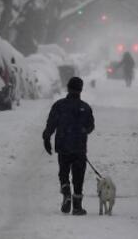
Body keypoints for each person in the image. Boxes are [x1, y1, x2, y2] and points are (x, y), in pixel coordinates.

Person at [43, 76, 95, 215]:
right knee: (78, 176)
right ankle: (77, 206)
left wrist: (46, 138)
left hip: (63, 145)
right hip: (79, 148)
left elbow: (51, 124)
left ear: (68, 88)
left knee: (64, 172)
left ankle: (66, 191)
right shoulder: (85, 107)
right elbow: (90, 126)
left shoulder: (59, 105)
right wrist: (83, 130)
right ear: (80, 90)